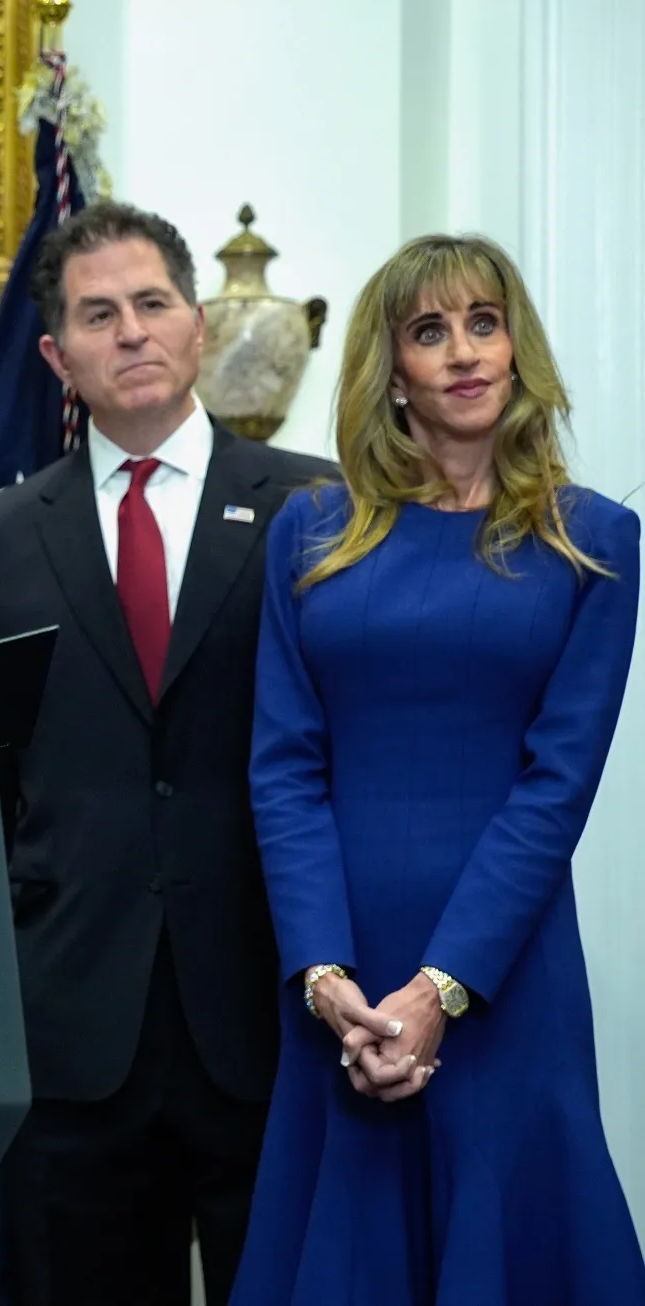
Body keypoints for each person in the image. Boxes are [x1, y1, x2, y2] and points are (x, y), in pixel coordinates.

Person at [233, 234, 645, 1303]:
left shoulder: (591, 541)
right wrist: (327, 981)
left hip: (504, 972)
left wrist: (440, 987)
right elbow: (282, 769)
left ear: (516, 351)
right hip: (339, 976)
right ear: (393, 372)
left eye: (481, 322)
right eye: (428, 331)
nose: (461, 352)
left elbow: (555, 789)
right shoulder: (308, 533)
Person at [0, 202, 331, 1305]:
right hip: (66, 1028)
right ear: (57, 356)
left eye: (151, 304)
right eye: (97, 315)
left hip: (272, 1011)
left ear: (197, 323)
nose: (130, 333)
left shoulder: (316, 508)